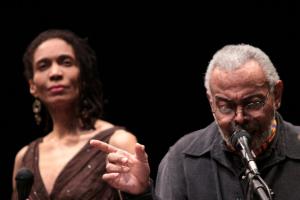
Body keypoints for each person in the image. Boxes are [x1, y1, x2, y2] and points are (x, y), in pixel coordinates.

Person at [91, 43, 300, 199]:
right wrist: (141, 194)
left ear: (277, 95)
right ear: (211, 103)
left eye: (252, 103)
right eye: (225, 105)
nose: (239, 117)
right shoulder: (181, 159)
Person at [11, 29, 139, 200]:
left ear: (82, 76)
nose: (55, 73)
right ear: (32, 85)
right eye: (43, 65)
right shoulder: (23, 157)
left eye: (66, 62)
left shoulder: (118, 142)